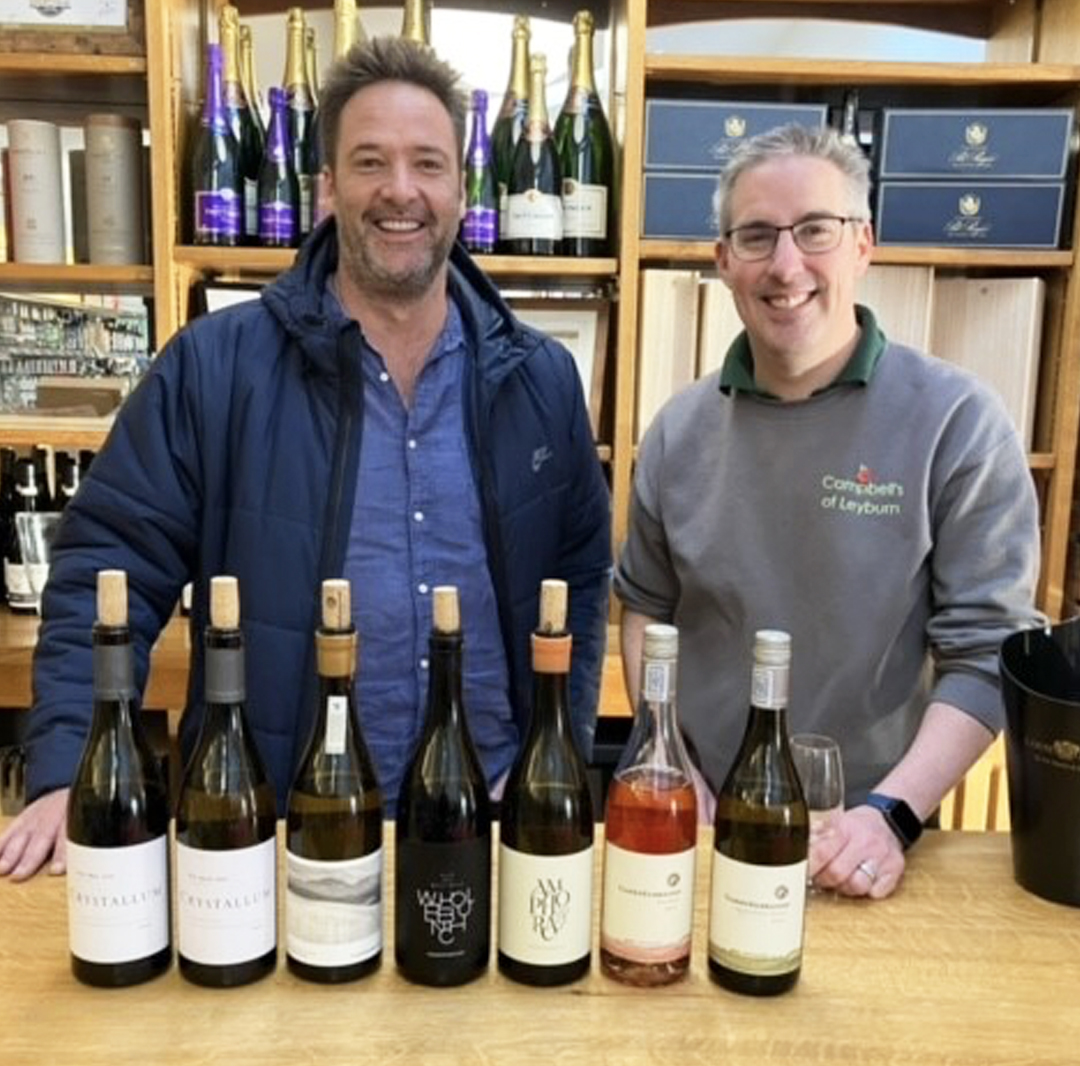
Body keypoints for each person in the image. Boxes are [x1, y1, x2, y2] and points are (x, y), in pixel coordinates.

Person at [0, 37, 611, 881]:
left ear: (462, 190)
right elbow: (110, 567)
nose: (401, 190)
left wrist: (557, 752)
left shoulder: (541, 380)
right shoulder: (214, 368)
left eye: (428, 163)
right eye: (370, 162)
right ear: (326, 188)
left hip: (494, 830)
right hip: (278, 835)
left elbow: (580, 585)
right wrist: (71, 768)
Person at [614, 123, 1041, 900]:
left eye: (815, 229)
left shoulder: (958, 423)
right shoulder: (677, 432)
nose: (786, 266)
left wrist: (890, 815)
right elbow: (647, 610)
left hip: (874, 844)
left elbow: (988, 654)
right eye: (756, 236)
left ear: (862, 244)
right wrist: (671, 764)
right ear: (723, 260)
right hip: (707, 833)